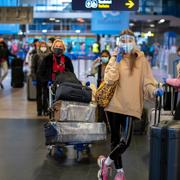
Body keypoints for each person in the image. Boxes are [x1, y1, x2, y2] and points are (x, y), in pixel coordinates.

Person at [97, 29, 163, 180]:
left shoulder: (141, 59)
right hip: (113, 105)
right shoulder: (114, 57)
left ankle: (105, 163)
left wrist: (154, 91)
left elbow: (148, 82)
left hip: (130, 106)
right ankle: (120, 172)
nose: (126, 43)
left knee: (125, 142)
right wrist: (117, 61)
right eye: (123, 40)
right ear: (119, 42)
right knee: (115, 140)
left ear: (134, 42)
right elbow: (109, 80)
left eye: (129, 40)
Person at [31, 41, 50, 116]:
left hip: (46, 78)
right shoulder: (35, 55)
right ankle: (39, 110)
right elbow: (33, 67)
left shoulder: (49, 56)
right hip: (38, 77)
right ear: (39, 47)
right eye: (41, 46)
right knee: (38, 94)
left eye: (44, 46)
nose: (43, 47)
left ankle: (45, 109)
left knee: (46, 94)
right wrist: (34, 78)